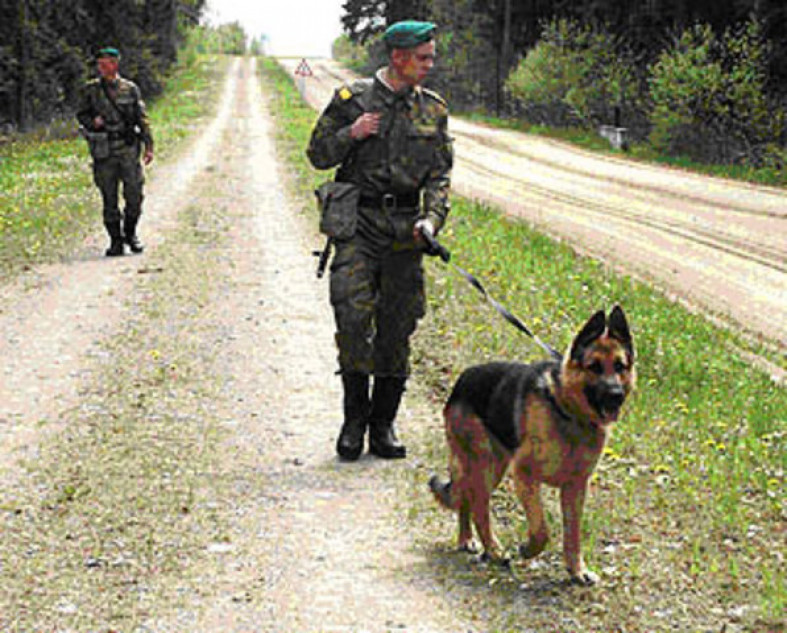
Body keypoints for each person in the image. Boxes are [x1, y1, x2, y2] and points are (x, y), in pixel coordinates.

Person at [307, 21, 453, 461]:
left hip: (406, 232)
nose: (430, 64)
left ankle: (383, 424)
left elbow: (440, 176)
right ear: (398, 57)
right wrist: (350, 134)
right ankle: (353, 421)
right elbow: (317, 155)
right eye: (423, 57)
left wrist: (431, 221)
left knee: (397, 326)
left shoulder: (433, 109)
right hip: (360, 226)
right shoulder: (353, 101)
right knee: (352, 319)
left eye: (431, 56)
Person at [76, 47, 154, 257]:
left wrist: (149, 145)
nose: (101, 67)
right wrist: (92, 122)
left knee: (134, 195)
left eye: (105, 63)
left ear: (115, 64)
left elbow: (141, 117)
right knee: (109, 197)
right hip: (104, 150)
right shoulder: (90, 90)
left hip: (128, 148)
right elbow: (81, 114)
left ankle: (130, 233)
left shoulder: (130, 89)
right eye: (99, 64)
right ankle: (115, 241)